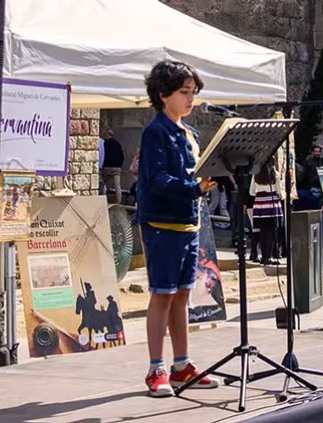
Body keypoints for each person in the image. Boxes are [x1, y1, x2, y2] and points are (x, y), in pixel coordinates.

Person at [136, 60, 219, 397]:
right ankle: (156, 368)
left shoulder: (190, 133)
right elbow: (157, 180)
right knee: (163, 294)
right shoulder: (155, 132)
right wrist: (194, 188)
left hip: (188, 224)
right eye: (184, 92)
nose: (191, 99)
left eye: (193, 93)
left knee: (183, 295)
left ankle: (182, 365)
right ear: (163, 95)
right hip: (161, 225)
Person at [251, 160, 284, 265]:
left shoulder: (255, 174)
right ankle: (268, 256)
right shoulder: (275, 174)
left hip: (259, 203)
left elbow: (252, 192)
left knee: (262, 231)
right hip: (272, 203)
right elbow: (279, 191)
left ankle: (263, 256)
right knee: (271, 231)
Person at [100, 129, 125, 204]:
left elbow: (102, 155)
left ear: (107, 135)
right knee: (117, 185)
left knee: (103, 183)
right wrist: (119, 165)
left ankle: (103, 200)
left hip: (107, 167)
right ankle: (118, 201)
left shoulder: (105, 143)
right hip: (117, 168)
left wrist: (102, 165)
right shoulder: (117, 143)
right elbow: (122, 156)